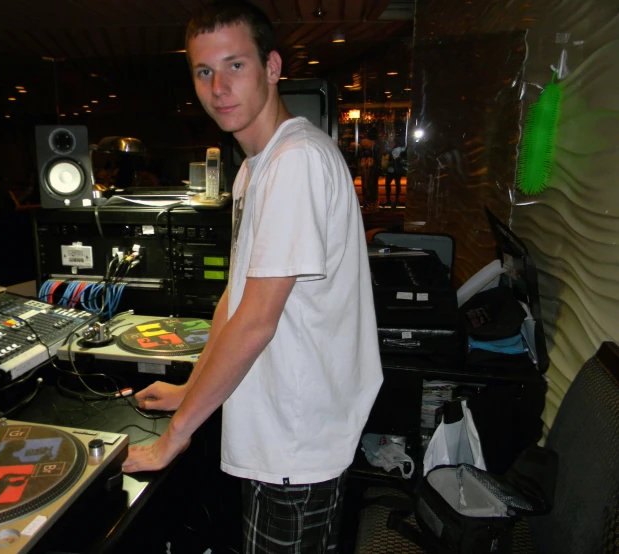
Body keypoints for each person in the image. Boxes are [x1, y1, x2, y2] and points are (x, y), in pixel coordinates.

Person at [122, 2, 383, 552]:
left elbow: (257, 323)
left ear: (272, 67)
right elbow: (234, 301)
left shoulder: (296, 162)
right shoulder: (254, 169)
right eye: (204, 71)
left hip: (296, 441)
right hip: (276, 429)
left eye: (235, 65)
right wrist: (191, 388)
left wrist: (175, 437)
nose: (218, 86)